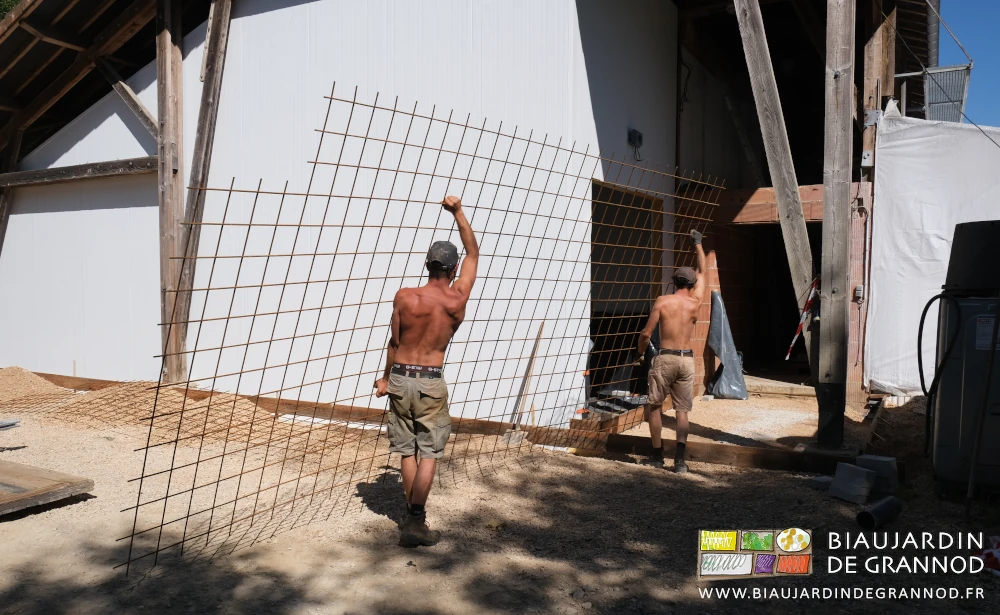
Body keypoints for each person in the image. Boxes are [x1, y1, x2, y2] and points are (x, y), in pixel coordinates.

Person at [374, 195, 479, 547]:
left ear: (426, 266)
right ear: (452, 271)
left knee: (407, 451)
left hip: (400, 377)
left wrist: (386, 379)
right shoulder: (456, 300)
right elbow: (474, 254)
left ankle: (410, 517)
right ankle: (416, 523)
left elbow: (394, 341)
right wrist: (458, 212)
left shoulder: (404, 296)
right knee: (429, 452)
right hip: (430, 381)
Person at [636, 229, 707, 473]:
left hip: (665, 357)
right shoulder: (695, 303)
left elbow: (646, 333)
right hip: (687, 360)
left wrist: (639, 352)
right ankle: (680, 461)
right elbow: (703, 271)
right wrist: (697, 244)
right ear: (693, 285)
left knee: (654, 406)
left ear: (673, 282)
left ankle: (657, 456)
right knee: (682, 411)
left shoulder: (662, 301)